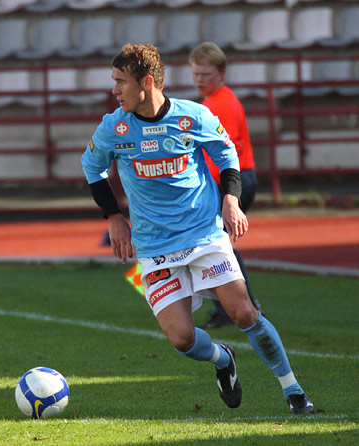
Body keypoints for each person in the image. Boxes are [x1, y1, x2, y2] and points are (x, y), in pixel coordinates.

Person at [81, 43, 313, 414]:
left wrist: (231, 199)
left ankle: (294, 391)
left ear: (147, 82)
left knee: (244, 313)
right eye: (114, 81)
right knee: (182, 338)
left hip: (204, 235)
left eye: (120, 82)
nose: (114, 90)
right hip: (153, 247)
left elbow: (226, 154)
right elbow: (92, 168)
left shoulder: (194, 117)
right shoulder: (114, 127)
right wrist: (113, 216)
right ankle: (223, 359)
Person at [189, 41, 262, 328]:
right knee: (216, 243)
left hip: (235, 181)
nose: (199, 81)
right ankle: (234, 306)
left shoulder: (221, 102)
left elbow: (228, 148)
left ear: (221, 73)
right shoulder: (214, 100)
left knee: (217, 244)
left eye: (205, 75)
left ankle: (241, 306)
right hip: (238, 179)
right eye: (196, 75)